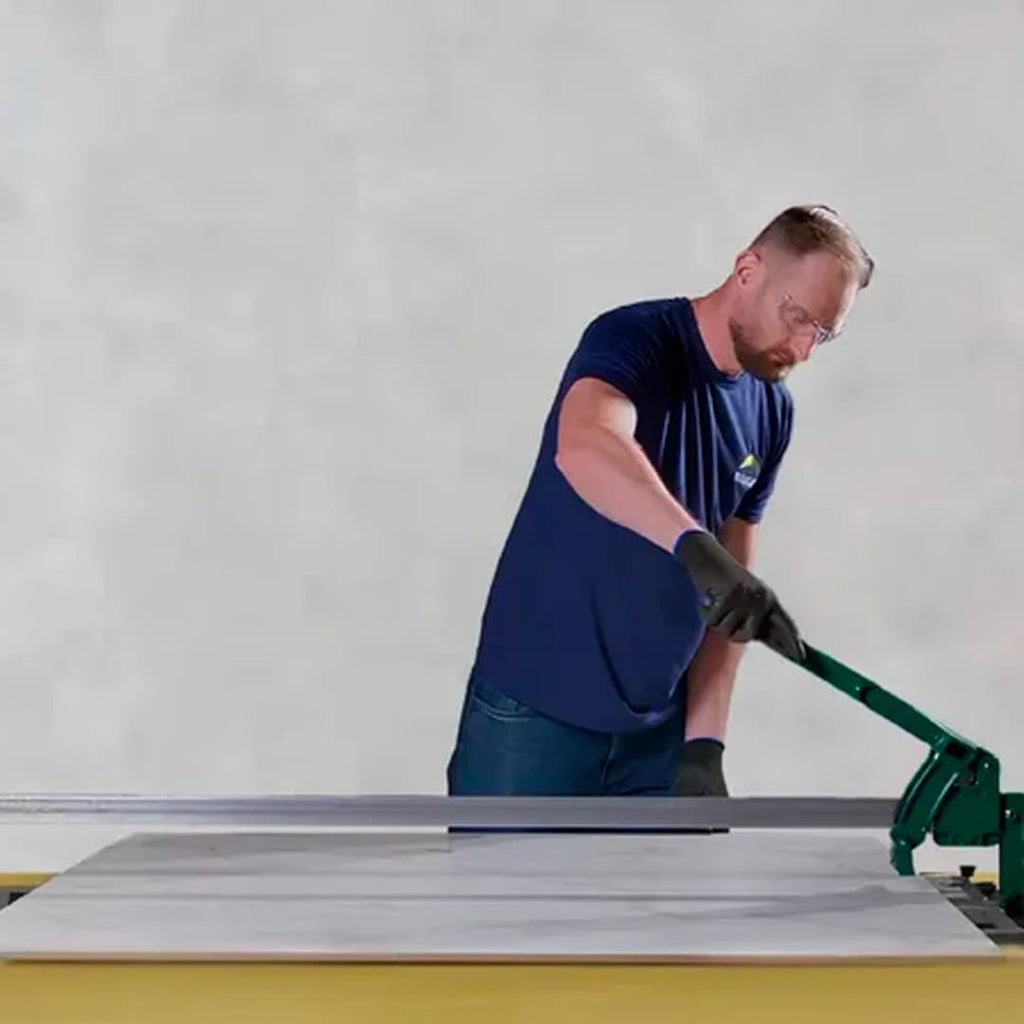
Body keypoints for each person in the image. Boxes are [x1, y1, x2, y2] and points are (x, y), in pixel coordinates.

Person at [446, 204, 874, 799]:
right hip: (533, 719)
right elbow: (586, 443)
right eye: (796, 316)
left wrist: (704, 743)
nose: (803, 349)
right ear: (747, 270)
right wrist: (694, 546)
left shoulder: (772, 411)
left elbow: (731, 597)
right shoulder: (635, 338)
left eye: (823, 333)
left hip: (657, 738)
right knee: (500, 867)